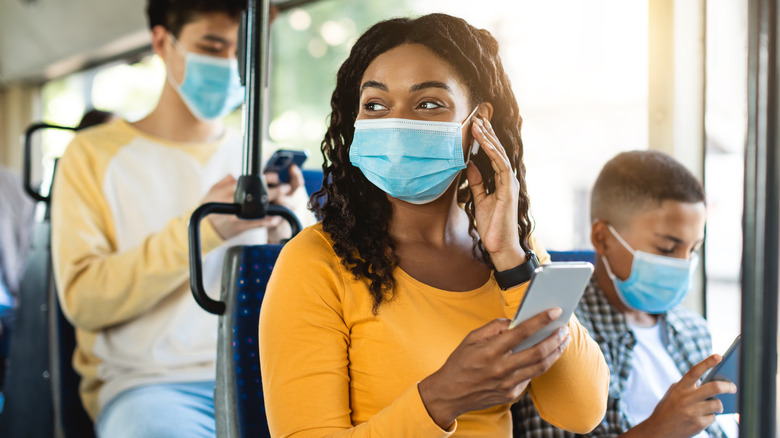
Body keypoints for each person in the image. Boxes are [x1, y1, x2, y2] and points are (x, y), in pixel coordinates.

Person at [259, 14, 609, 437]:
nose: (397, 123)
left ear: (477, 122)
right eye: (375, 106)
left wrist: (512, 260)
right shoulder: (314, 262)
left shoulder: (514, 250)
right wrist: (442, 398)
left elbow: (580, 411)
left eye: (427, 104)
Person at [51, 1, 312, 436]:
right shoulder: (92, 156)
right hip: (149, 386)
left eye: (241, 52)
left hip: (267, 375)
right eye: (212, 46)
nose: (229, 65)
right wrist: (205, 230)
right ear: (161, 42)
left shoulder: (261, 159)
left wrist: (284, 230)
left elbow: (312, 296)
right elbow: (84, 300)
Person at [512, 150, 737, 438]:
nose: (684, 264)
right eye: (667, 249)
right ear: (602, 239)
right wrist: (658, 430)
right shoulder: (559, 327)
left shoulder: (693, 330)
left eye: (693, 250)